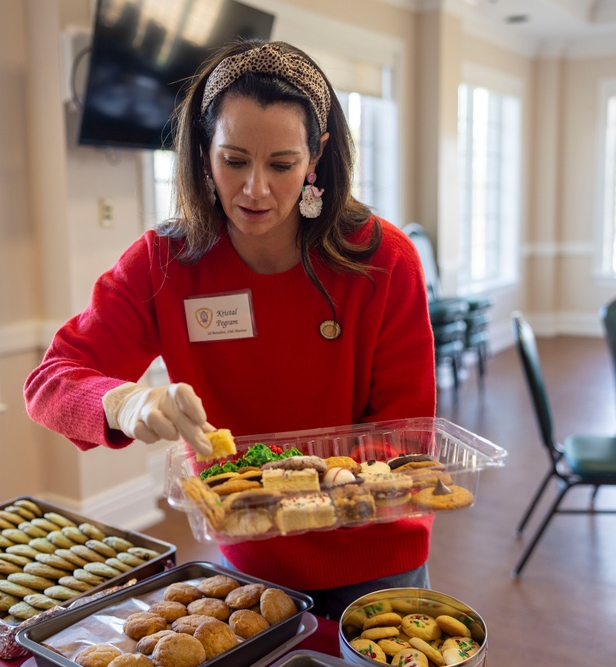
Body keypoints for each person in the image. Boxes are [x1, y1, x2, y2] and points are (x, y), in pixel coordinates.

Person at [24, 39, 436, 620]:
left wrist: (310, 494)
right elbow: (48, 383)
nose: (256, 190)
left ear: (316, 155)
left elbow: (406, 436)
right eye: (235, 160)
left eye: (282, 164)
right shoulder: (166, 262)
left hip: (375, 558)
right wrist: (124, 402)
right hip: (252, 559)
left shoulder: (383, 260)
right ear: (202, 150)